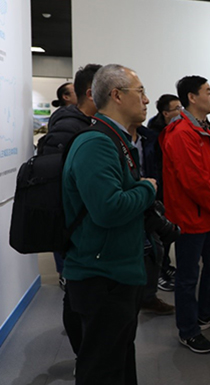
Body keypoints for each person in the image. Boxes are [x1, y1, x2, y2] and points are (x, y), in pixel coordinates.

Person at [62, 64, 158, 385]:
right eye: (140, 92)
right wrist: (148, 188)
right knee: (102, 370)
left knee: (118, 362)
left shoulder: (116, 139)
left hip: (116, 274)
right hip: (101, 278)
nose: (146, 100)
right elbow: (108, 209)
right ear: (116, 95)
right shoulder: (97, 143)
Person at [159, 76, 210, 354]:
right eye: (208, 92)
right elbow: (194, 181)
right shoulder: (181, 133)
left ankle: (207, 313)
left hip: (209, 214)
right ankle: (188, 330)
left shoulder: (204, 129)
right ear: (192, 97)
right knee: (188, 277)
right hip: (190, 218)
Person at [37, 63, 102, 366]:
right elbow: (59, 185)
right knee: (76, 295)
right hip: (75, 229)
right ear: (91, 92)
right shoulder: (69, 127)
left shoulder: (84, 124)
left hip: (83, 227)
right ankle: (84, 359)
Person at [133, 122, 176, 316]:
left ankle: (148, 296)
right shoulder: (105, 138)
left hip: (150, 200)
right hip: (131, 202)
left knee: (156, 248)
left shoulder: (148, 137)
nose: (144, 106)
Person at [147, 94, 182, 292]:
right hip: (160, 189)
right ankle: (159, 273)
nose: (180, 112)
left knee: (168, 232)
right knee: (161, 234)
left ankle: (165, 266)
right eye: (176, 108)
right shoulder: (155, 134)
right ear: (165, 113)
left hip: (170, 189)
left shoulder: (175, 130)